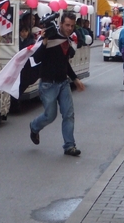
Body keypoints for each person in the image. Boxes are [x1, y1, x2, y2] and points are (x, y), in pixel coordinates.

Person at [29, 11, 85, 157]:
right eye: (67, 25)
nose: (70, 28)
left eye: (72, 26)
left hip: (63, 83)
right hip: (48, 84)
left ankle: (69, 146)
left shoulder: (67, 40)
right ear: (60, 24)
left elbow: (64, 63)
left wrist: (75, 79)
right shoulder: (49, 36)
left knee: (68, 114)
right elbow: (36, 58)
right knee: (50, 116)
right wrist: (45, 41)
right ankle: (34, 126)